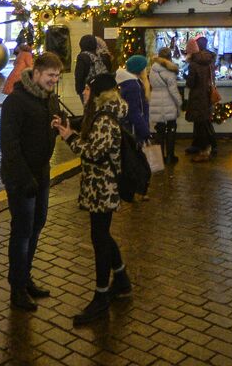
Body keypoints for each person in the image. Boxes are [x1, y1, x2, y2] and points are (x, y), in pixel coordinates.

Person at [54, 74, 132, 326]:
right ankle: (121, 280)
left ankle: (100, 296)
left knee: (99, 238)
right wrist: (72, 128)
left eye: (87, 89)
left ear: (98, 93)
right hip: (99, 185)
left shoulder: (106, 119)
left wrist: (70, 139)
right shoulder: (102, 114)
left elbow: (94, 152)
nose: (84, 92)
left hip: (103, 186)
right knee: (103, 235)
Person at [0, 52, 63, 311]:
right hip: (21, 178)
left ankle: (25, 279)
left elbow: (52, 127)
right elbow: (9, 146)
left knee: (36, 227)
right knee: (22, 233)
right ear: (36, 73)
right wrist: (25, 179)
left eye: (57, 77)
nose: (53, 81)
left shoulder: (48, 100)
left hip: (41, 173)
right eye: (50, 76)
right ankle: (16, 288)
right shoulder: (16, 102)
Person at [147, 47, 182, 167]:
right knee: (171, 128)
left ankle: (160, 157)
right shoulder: (170, 70)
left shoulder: (152, 69)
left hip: (156, 100)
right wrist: (179, 103)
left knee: (159, 130)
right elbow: (173, 91)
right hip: (168, 101)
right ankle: (170, 156)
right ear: (169, 57)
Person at [184, 37, 217, 161]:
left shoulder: (193, 64)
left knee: (201, 123)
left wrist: (186, 76)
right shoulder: (209, 59)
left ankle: (204, 151)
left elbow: (191, 83)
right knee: (204, 122)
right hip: (207, 94)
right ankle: (210, 146)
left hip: (198, 96)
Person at [116, 55, 151, 165]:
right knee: (135, 161)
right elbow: (135, 112)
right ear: (140, 69)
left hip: (130, 127)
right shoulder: (134, 85)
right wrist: (145, 131)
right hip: (134, 130)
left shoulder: (128, 83)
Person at [73, 35, 107, 104]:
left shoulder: (82, 57)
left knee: (88, 108)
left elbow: (79, 75)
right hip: (100, 88)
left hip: (87, 88)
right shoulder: (99, 55)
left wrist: (79, 89)